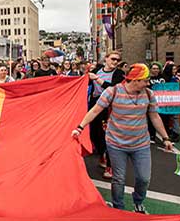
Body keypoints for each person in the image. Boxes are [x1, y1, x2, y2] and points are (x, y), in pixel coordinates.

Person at [72, 64, 174, 214]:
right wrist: (80, 127)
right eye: (145, 80)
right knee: (118, 179)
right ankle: (118, 208)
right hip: (116, 144)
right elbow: (95, 110)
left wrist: (165, 138)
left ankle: (138, 202)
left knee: (143, 178)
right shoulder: (112, 91)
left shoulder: (149, 94)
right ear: (136, 80)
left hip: (141, 144)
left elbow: (154, 116)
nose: (148, 83)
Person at [88, 51, 126, 179]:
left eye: (117, 60)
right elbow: (88, 83)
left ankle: (110, 165)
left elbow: (113, 87)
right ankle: (102, 152)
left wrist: (97, 80)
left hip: (110, 106)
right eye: (113, 59)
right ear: (106, 58)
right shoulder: (98, 69)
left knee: (108, 134)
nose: (115, 62)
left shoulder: (119, 74)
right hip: (95, 103)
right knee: (94, 132)